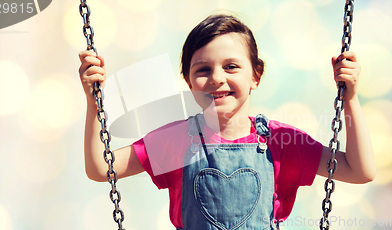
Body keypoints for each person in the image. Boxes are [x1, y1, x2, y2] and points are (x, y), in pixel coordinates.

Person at [78, 14, 375, 230]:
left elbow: (359, 170)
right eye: (203, 69)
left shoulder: (280, 142)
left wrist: (350, 99)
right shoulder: (178, 140)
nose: (217, 78)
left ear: (255, 76)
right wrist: (93, 102)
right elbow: (101, 168)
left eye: (231, 66)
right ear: (189, 81)